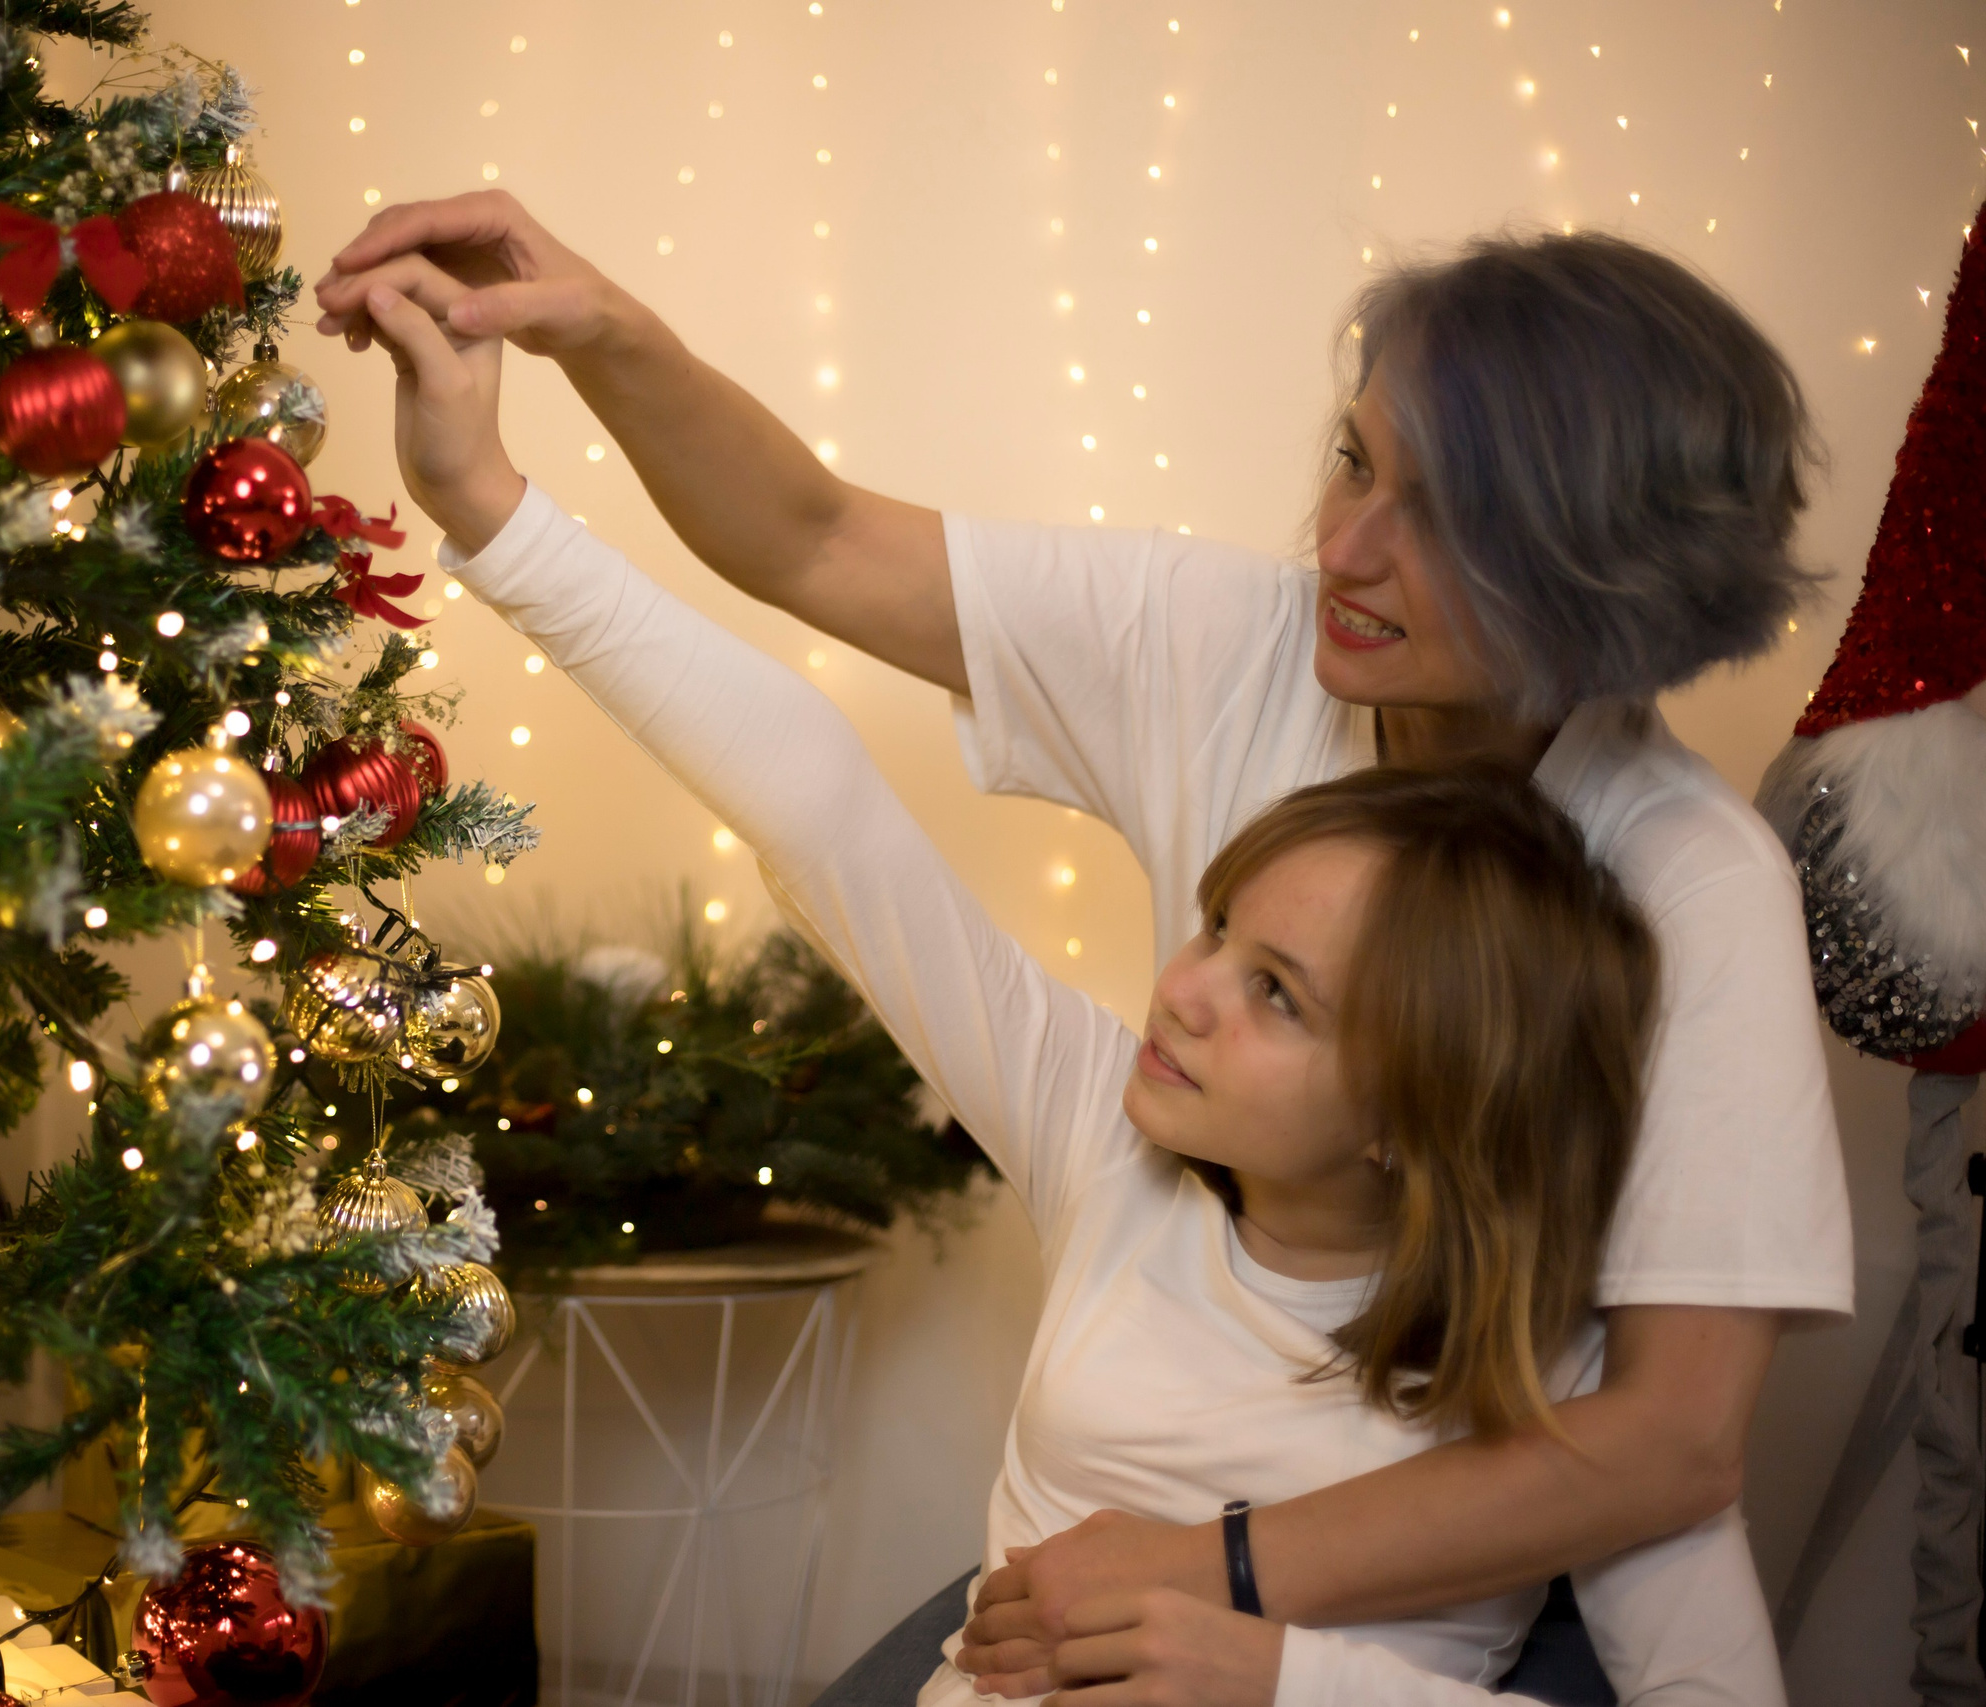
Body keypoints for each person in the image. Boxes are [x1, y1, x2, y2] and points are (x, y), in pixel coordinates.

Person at [313, 199, 1851, 1697]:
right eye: (1351, 462)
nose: (1344, 550)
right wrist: (575, 382)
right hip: (1116, 1574)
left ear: (1593, 583)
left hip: (1466, 1579)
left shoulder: (1690, 885)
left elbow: (1668, 1451)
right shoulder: (1129, 1115)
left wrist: (1239, 1609)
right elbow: (817, 558)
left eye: (1443, 524)